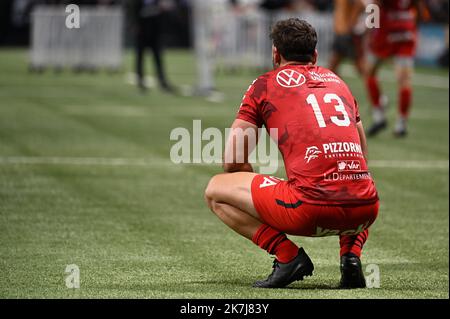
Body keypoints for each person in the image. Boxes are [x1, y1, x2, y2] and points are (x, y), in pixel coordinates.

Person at [205, 18, 379, 289]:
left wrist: (255, 192)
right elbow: (363, 157)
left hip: (308, 211)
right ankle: (351, 258)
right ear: (316, 55)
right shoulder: (338, 82)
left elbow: (233, 160)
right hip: (366, 211)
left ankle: (288, 257)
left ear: (275, 53)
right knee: (354, 177)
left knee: (216, 189)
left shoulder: (264, 84)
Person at [364, 0, 425, 137]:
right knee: (405, 80)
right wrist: (413, 29)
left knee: (369, 72)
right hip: (406, 35)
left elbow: (374, 6)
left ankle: (379, 114)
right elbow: (420, 11)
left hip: (385, 35)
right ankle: (401, 124)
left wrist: (369, 30)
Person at [131, 0, 175, 93]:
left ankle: (162, 81)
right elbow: (133, 10)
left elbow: (163, 12)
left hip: (155, 32)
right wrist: (135, 25)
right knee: (140, 57)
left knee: (158, 58)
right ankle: (140, 81)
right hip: (142, 32)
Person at [328, 0, 367, 76]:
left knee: (359, 66)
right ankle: (341, 86)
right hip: (340, 34)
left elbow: (361, 5)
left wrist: (351, 23)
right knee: (332, 66)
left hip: (347, 34)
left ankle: (370, 82)